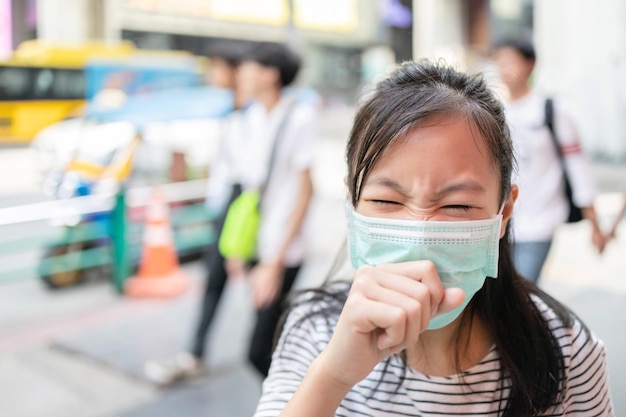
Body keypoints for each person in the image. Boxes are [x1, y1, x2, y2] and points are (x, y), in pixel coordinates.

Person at [254, 60, 614, 416]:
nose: (421, 233)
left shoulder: (566, 352)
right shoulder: (313, 331)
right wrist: (332, 375)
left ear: (503, 212)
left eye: (457, 205)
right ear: (352, 202)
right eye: (386, 200)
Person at [145, 41, 319, 384]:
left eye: (250, 67)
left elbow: (305, 190)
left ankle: (313, 402)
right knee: (267, 346)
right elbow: (245, 190)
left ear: (270, 75)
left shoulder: (299, 116)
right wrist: (239, 247)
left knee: (260, 351)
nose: (242, 73)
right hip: (256, 242)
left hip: (283, 250)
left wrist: (274, 261)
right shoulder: (249, 119)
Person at [492, 38, 607, 283]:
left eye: (511, 61)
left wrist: (594, 224)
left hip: (539, 221)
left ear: (530, 65)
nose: (504, 68)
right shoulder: (493, 110)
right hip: (498, 222)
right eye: (499, 61)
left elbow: (578, 167)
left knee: (522, 289)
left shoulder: (552, 109)